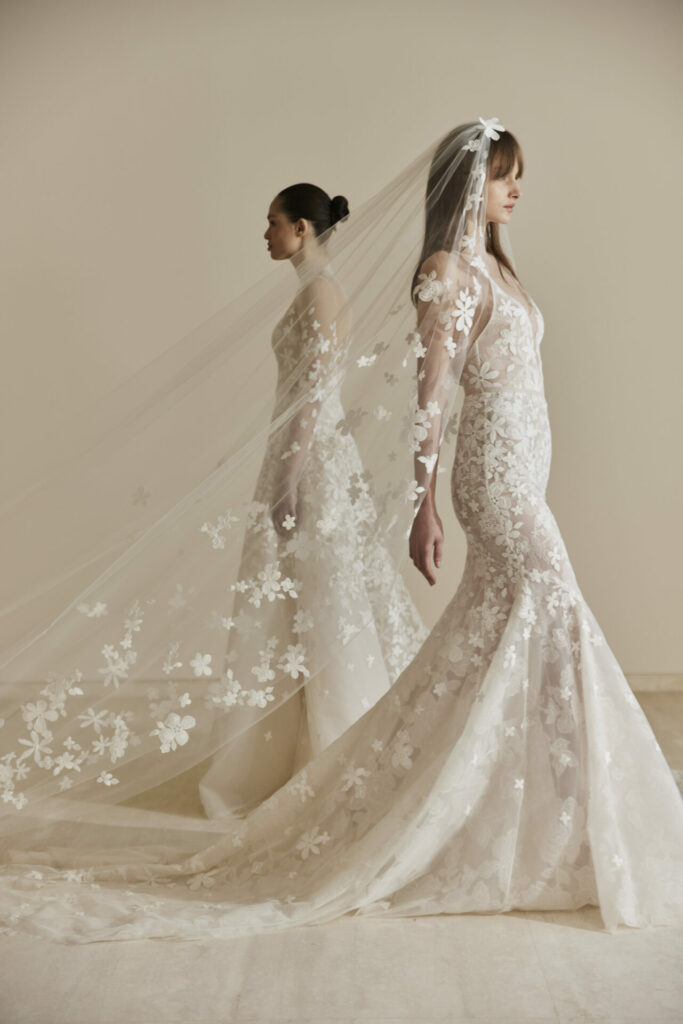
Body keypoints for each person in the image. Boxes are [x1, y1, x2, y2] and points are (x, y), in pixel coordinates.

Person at [1, 118, 682, 944]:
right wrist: (423, 504)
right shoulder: (446, 272)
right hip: (493, 481)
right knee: (553, 616)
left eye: (516, 176)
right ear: (467, 185)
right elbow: (431, 394)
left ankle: (536, 814)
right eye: (504, 175)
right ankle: (572, 815)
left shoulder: (498, 268)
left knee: (508, 636)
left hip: (522, 469)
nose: (516, 189)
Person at [198, 184, 427, 817]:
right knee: (299, 605)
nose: (264, 235)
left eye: (271, 223)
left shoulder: (323, 294)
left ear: (302, 228)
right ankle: (294, 762)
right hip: (303, 458)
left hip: (310, 462)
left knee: (325, 604)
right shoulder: (312, 291)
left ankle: (335, 762)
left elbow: (313, 397)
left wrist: (289, 477)